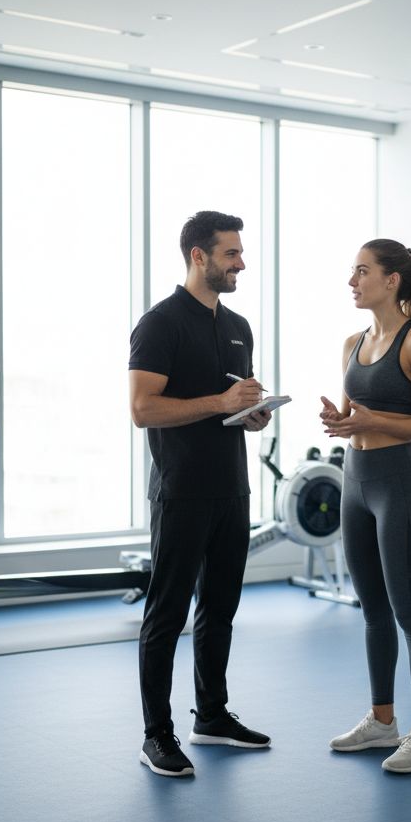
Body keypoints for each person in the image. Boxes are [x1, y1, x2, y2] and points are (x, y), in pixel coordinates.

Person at [128, 210, 272, 777]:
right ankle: (156, 736)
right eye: (231, 253)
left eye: (240, 252)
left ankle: (211, 716)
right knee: (166, 615)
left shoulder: (238, 326)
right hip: (181, 491)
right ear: (198, 256)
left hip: (231, 489)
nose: (241, 263)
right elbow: (143, 410)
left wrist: (253, 413)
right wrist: (221, 403)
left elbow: (234, 404)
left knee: (220, 609)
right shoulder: (159, 324)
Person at [320, 238, 411, 774]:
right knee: (372, 610)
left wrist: (374, 421)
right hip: (354, 480)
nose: (352, 281)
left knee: (410, 613)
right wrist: (340, 420)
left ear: (392, 280)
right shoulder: (352, 343)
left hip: (396, 483)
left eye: (362, 271)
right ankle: (381, 721)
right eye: (352, 272)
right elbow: (353, 412)